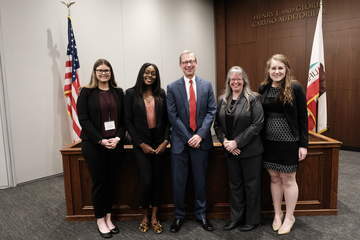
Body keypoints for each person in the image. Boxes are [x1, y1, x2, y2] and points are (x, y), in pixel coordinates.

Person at [166, 50, 217, 233]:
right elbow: (172, 116)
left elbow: (212, 111)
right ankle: (179, 216)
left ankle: (201, 214)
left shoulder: (206, 85)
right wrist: (189, 137)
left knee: (200, 180)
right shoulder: (172, 88)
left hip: (201, 143)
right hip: (180, 144)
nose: (188, 64)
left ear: (196, 63)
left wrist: (200, 134)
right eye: (185, 62)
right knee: (179, 182)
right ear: (180, 65)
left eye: (191, 61)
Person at [258, 54, 308, 235]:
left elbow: (303, 118)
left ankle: (289, 216)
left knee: (288, 179)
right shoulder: (263, 88)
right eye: (273, 68)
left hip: (289, 142)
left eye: (280, 68)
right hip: (268, 142)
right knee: (274, 178)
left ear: (286, 69)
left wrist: (303, 145)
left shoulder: (295, 87)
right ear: (268, 70)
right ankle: (277, 214)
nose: (277, 71)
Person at [77, 58, 125, 239]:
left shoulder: (118, 92)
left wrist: (118, 137)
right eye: (100, 70)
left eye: (107, 70)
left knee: (112, 182)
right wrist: (100, 140)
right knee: (99, 183)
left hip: (115, 144)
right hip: (94, 145)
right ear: (94, 72)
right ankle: (99, 219)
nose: (104, 73)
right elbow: (84, 120)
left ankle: (109, 217)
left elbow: (124, 120)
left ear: (111, 72)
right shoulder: (86, 92)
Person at [214, 66, 264, 231]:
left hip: (250, 152)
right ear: (229, 81)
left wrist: (237, 142)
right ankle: (236, 218)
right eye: (232, 79)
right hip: (231, 151)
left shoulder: (253, 98)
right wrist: (226, 143)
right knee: (235, 186)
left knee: (251, 186)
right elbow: (217, 125)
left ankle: (252, 220)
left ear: (244, 81)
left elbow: (257, 124)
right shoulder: (222, 100)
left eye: (238, 79)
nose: (235, 81)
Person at [124, 63, 169, 234]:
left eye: (153, 73)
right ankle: (144, 215)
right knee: (146, 180)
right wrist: (140, 144)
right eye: (146, 72)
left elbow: (167, 121)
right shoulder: (130, 94)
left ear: (156, 76)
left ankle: (155, 217)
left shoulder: (161, 93)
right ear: (141, 73)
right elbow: (127, 121)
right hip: (141, 144)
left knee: (158, 180)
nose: (149, 75)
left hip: (159, 145)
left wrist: (165, 141)